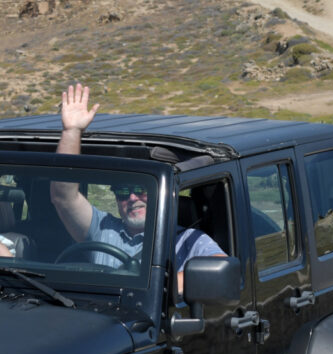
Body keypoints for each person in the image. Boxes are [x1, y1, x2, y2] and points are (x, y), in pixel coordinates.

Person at [50, 84, 223, 279]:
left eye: (141, 189)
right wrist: (71, 131)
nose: (132, 198)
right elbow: (63, 196)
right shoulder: (102, 228)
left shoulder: (186, 239)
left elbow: (220, 267)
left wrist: (168, 288)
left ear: (160, 194)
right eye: (123, 192)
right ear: (116, 199)